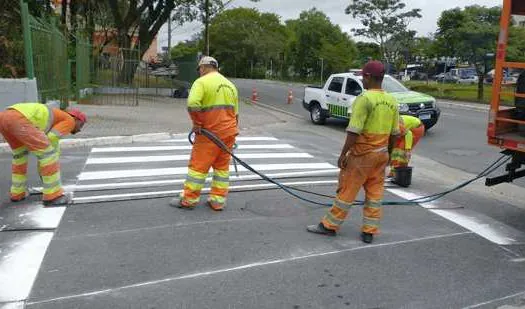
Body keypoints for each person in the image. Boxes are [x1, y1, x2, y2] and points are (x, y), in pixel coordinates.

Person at [306, 61, 400, 244]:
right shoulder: (391, 100)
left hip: (363, 155)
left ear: (367, 76)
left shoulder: (364, 99)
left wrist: (343, 155)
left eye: (363, 77)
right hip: (381, 155)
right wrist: (388, 154)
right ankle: (369, 231)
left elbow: (354, 131)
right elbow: (395, 133)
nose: (362, 81)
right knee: (375, 194)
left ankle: (329, 226)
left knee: (347, 191)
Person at [170, 56, 239, 211]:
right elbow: (236, 114)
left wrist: (197, 124)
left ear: (203, 68)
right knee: (221, 169)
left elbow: (193, 104)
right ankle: (217, 201)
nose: (199, 72)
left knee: (198, 168)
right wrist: (232, 133)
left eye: (199, 69)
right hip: (228, 134)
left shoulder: (201, 82)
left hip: (210, 134)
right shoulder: (230, 85)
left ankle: (189, 200)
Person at [0, 103, 86, 205]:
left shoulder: (56, 116)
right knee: (49, 155)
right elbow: (50, 139)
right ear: (76, 119)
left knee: (20, 156)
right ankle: (53, 196)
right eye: (81, 125)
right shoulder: (70, 120)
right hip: (19, 119)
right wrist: (46, 169)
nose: (79, 130)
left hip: (4, 117)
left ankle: (17, 193)